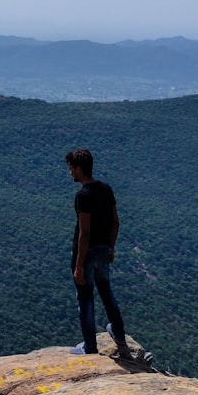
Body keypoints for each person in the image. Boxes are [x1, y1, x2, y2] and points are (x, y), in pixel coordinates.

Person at [66, 147, 132, 358]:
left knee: (85, 299)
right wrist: (111, 247)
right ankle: (120, 337)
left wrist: (78, 265)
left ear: (78, 168)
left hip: (87, 255)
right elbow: (116, 222)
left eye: (71, 168)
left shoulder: (83, 196)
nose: (70, 172)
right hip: (104, 251)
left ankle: (90, 347)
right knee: (106, 293)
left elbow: (84, 233)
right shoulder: (106, 189)